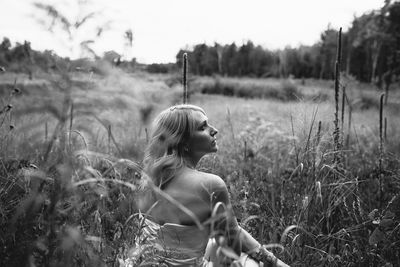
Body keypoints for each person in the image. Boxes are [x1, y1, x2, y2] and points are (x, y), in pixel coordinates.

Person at [131, 104, 289, 267]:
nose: (214, 130)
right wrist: (276, 263)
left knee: (214, 244)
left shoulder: (149, 179)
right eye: (202, 127)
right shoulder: (211, 184)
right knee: (246, 261)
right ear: (183, 141)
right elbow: (233, 236)